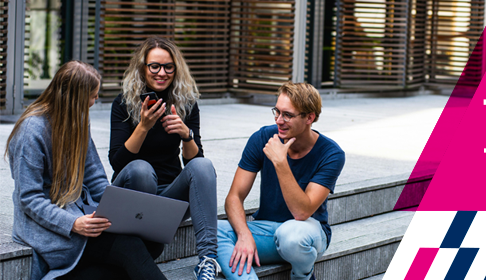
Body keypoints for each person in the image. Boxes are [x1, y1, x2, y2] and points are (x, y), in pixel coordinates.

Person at [7, 61, 166, 280]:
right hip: (50, 225)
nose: (96, 100)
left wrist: (117, 212)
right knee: (128, 247)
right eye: (93, 95)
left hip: (81, 211)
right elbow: (29, 198)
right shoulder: (31, 132)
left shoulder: (78, 118)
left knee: (152, 241)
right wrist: (72, 223)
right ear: (76, 98)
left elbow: (95, 176)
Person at [108, 37, 219, 280]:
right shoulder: (124, 103)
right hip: (132, 193)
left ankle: (208, 260)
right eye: (154, 66)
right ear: (143, 68)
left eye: (168, 66)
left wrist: (185, 135)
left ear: (176, 68)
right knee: (141, 169)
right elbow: (117, 162)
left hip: (169, 196)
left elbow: (194, 165)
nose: (162, 73)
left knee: (204, 165)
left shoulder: (186, 103)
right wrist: (144, 126)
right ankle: (137, 253)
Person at [216, 82, 345, 280]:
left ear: (309, 117)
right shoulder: (262, 138)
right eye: (277, 111)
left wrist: (280, 162)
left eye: (288, 115)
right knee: (214, 230)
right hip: (267, 230)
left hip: (306, 235)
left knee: (290, 235)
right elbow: (234, 197)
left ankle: (303, 276)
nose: (279, 120)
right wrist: (243, 235)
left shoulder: (331, 154)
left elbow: (302, 212)